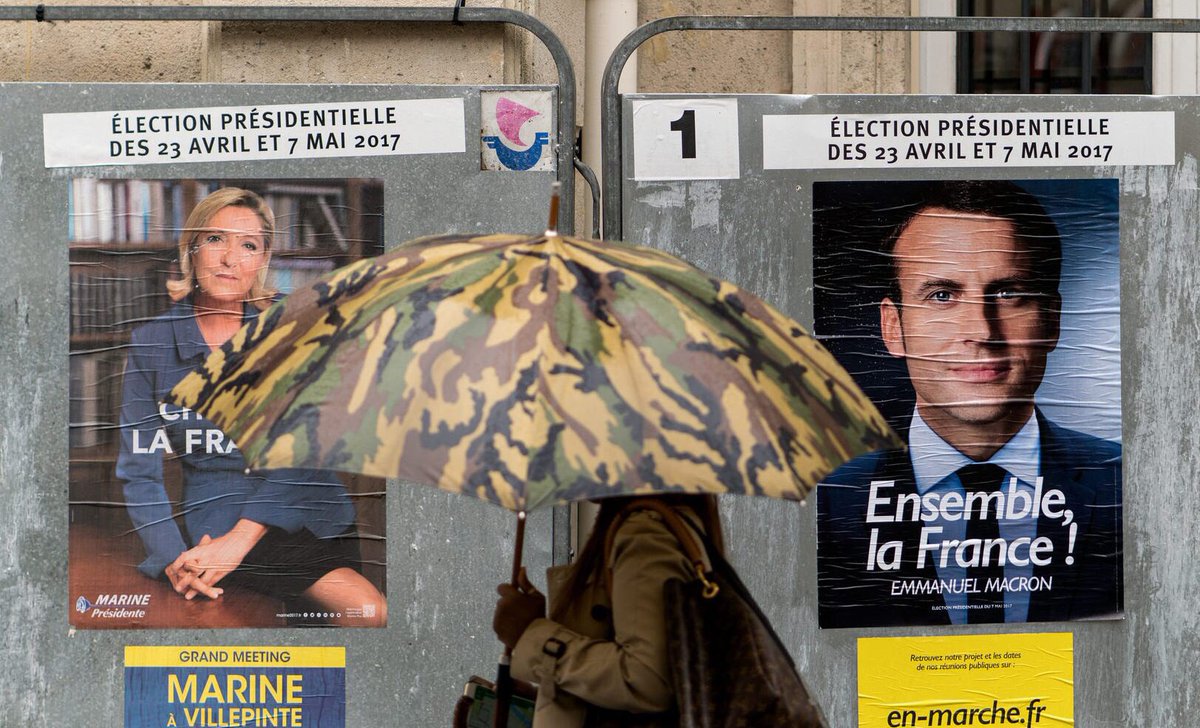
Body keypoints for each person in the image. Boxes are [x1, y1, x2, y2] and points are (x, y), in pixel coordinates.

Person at [817, 180, 1122, 628]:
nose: (981, 330)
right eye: (942, 295)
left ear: (1052, 321)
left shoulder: (1130, 487)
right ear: (893, 328)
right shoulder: (823, 502)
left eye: (1007, 293)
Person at [116, 186, 386, 627]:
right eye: (215, 240)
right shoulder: (151, 344)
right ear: (191, 250)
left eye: (248, 245)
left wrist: (237, 543)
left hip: (306, 509)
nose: (230, 259)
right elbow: (139, 471)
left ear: (263, 260)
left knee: (365, 615)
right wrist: (173, 559)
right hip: (217, 518)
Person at [492, 494, 723, 727]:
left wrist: (532, 635)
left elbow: (648, 678)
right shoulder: (677, 523)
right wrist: (546, 701)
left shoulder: (645, 535)